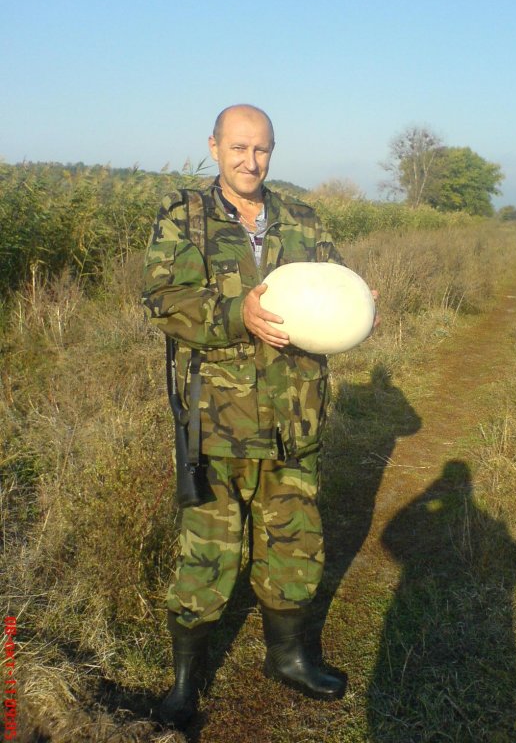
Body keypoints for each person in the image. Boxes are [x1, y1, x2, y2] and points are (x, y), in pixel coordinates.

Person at [142, 104, 373, 728]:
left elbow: (333, 290)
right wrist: (234, 313)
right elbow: (163, 301)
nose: (251, 161)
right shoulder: (185, 216)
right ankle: (185, 683)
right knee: (206, 555)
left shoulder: (302, 219)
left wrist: (357, 303)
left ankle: (290, 659)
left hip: (294, 419)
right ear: (214, 146)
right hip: (214, 424)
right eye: (239, 147)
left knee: (295, 543)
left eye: (262, 149)